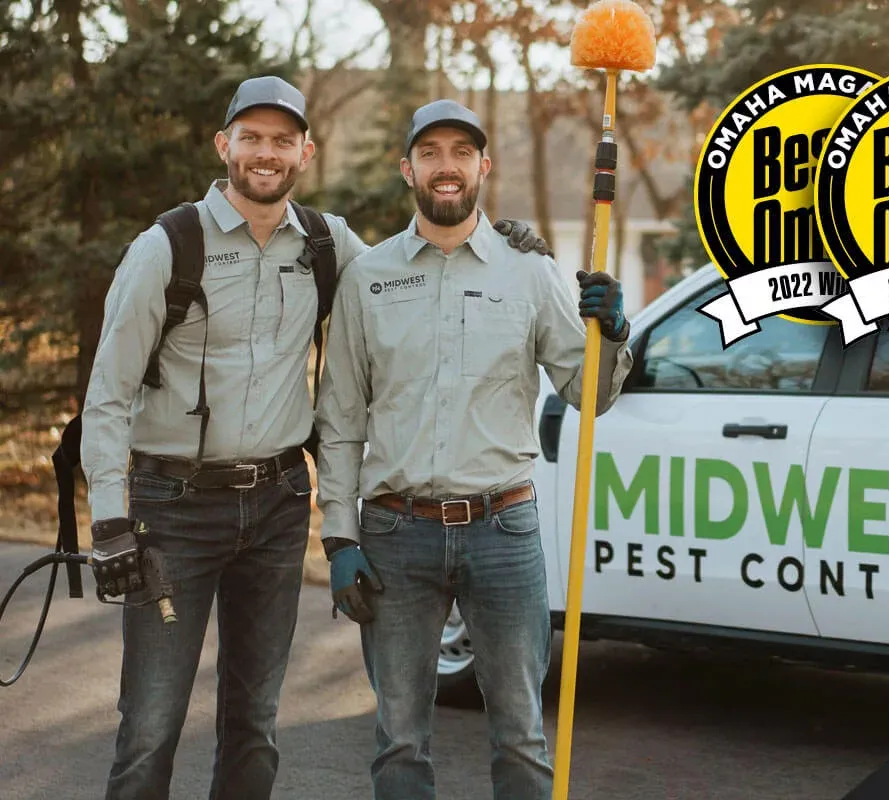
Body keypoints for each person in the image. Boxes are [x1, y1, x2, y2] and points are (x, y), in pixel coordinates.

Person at [80, 77, 548, 800]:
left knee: (255, 724)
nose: (266, 154)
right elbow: (107, 395)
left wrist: (505, 240)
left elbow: (419, 266)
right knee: (150, 726)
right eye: (251, 138)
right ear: (225, 145)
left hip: (275, 509)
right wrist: (110, 521)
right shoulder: (167, 246)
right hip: (172, 509)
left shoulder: (329, 245)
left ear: (306, 152)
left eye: (282, 140)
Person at [313, 98, 634, 800]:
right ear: (407, 169)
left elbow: (589, 393)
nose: (447, 166)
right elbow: (339, 419)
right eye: (430, 152)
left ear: (484, 166)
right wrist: (338, 537)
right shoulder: (368, 278)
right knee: (400, 741)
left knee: (521, 737)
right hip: (395, 534)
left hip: (503, 530)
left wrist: (612, 335)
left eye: (462, 152)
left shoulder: (529, 272)